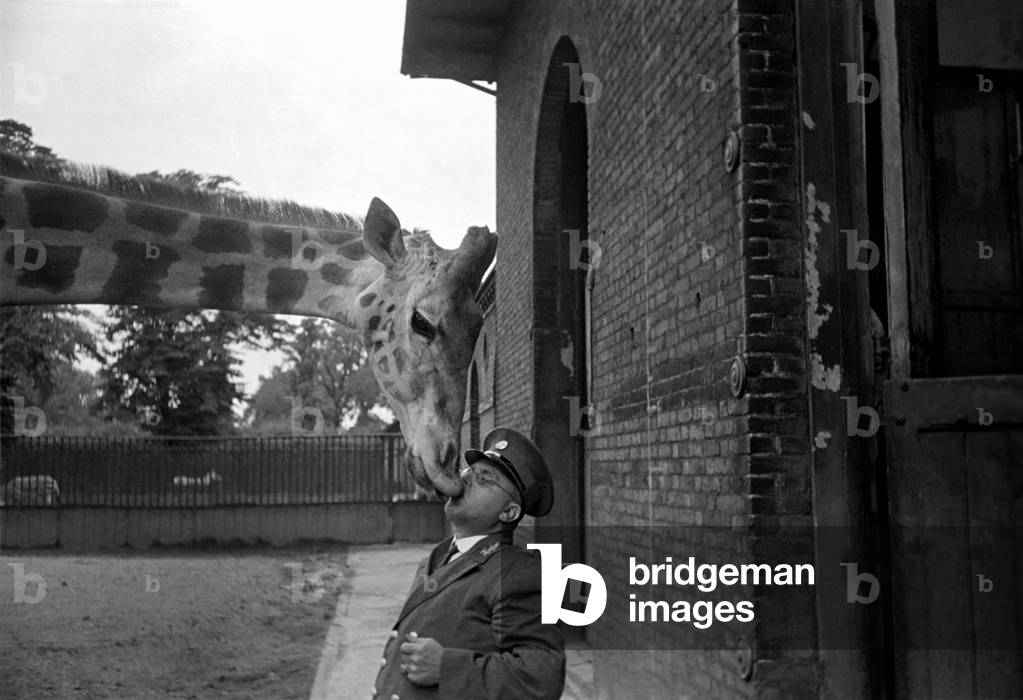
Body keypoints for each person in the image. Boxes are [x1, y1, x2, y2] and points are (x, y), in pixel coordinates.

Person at [371, 427, 565, 700]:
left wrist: (446, 667)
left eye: (485, 479)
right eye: (468, 472)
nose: (465, 480)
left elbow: (542, 676)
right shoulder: (439, 557)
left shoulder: (518, 573)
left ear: (509, 512)